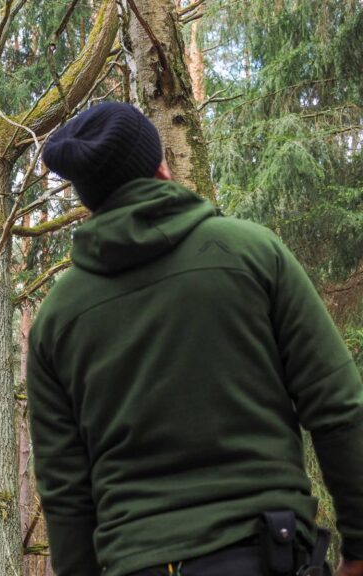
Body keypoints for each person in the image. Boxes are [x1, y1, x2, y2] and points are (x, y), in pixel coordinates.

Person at [27, 102, 363, 576]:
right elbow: (338, 405)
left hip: (135, 561)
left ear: (88, 198)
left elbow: (65, 492)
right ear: (160, 164)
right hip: (266, 549)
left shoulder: (56, 319)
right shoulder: (251, 253)